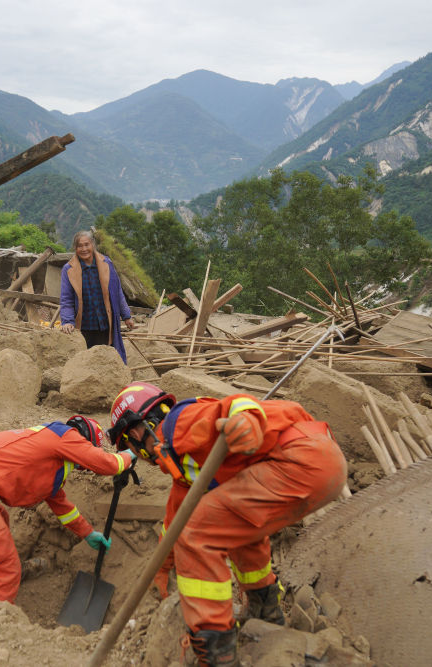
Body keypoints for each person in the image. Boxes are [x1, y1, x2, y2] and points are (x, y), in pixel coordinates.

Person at [107, 383, 347, 667]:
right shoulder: (182, 461)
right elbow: (176, 517)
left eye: (128, 445)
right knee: (235, 527)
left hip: (299, 459)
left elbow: (234, 405)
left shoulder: (178, 424)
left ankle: (216, 651)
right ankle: (265, 609)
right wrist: (161, 567)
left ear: (135, 434)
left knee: (197, 534)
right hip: (319, 461)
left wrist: (246, 421)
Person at [0, 415, 135, 604]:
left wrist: (88, 533)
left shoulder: (46, 455)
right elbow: (110, 464)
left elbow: (62, 507)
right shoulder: (68, 436)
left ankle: (11, 574)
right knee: (4, 571)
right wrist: (131, 452)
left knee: (1, 522)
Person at [59, 230, 135, 363]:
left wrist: (126, 316)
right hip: (84, 325)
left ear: (93, 244)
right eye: (80, 246)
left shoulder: (106, 263)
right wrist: (67, 321)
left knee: (106, 360)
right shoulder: (68, 269)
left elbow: (117, 292)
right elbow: (66, 299)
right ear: (75, 248)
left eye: (86, 244)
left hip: (105, 322)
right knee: (85, 361)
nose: (84, 249)